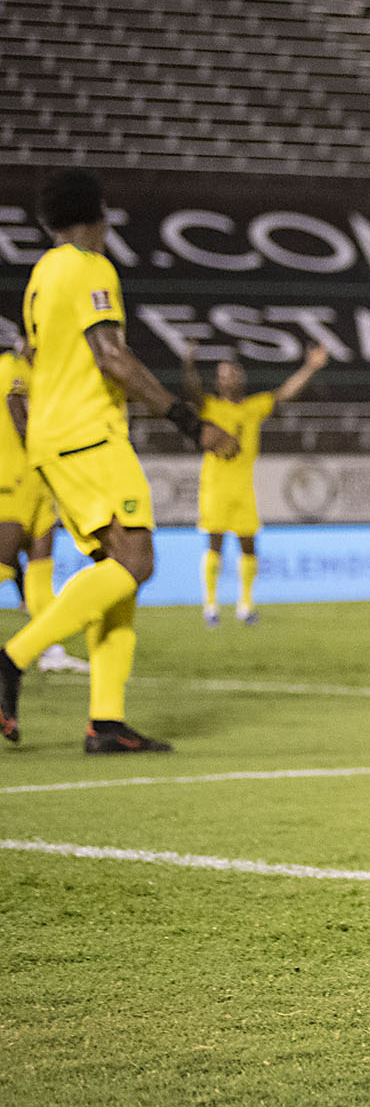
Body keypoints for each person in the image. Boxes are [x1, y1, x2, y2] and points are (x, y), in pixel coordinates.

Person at [1, 169, 237, 751]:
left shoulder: (42, 275)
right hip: (90, 434)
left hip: (54, 440)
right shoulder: (88, 267)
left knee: (118, 576)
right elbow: (112, 357)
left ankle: (105, 722)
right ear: (98, 212)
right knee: (137, 560)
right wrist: (188, 420)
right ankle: (12, 660)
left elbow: (32, 357)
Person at [183, 344, 331, 626]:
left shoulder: (255, 407)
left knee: (248, 546)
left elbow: (286, 392)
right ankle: (211, 606)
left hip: (244, 488)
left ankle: (245, 605)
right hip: (214, 486)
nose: (230, 379)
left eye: (234, 375)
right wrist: (188, 363)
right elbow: (191, 391)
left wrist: (310, 367)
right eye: (224, 375)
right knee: (214, 545)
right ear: (218, 381)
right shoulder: (210, 407)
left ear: (242, 379)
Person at [0, 324, 85, 677]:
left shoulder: (43, 375)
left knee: (39, 573)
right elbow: (19, 416)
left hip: (40, 482)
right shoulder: (10, 367)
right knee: (3, 565)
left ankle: (50, 649)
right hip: (13, 478)